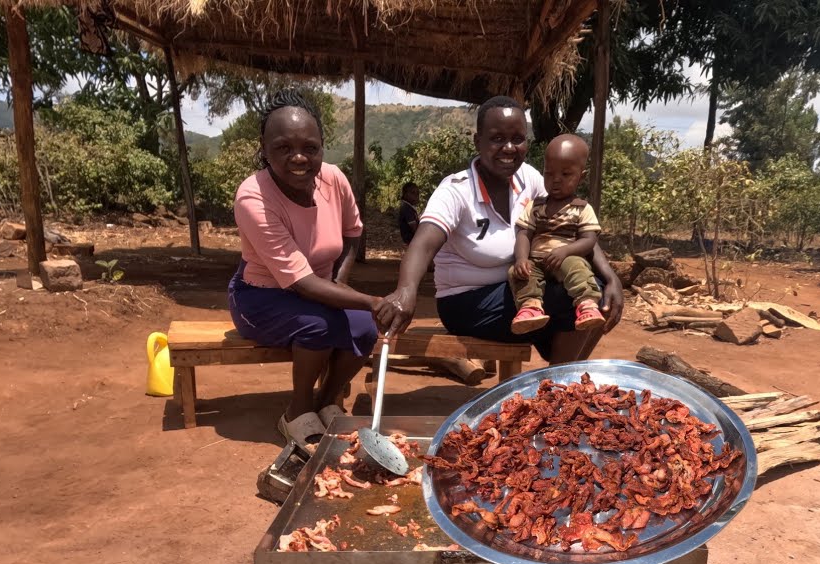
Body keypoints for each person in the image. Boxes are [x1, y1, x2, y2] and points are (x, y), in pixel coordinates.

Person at [374, 96, 623, 363]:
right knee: (582, 296)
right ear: (477, 141)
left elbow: (575, 225)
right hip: (468, 302)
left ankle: (559, 382)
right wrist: (406, 289)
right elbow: (423, 243)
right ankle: (558, 386)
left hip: (521, 287)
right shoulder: (456, 190)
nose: (508, 148)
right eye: (496, 138)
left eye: (517, 138)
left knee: (595, 292)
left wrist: (612, 278)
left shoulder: (529, 178)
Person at [228, 89, 383, 455]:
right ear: (264, 149)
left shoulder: (333, 179)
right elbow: (299, 282)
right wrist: (372, 299)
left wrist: (340, 286)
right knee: (319, 325)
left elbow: (352, 234)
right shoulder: (254, 198)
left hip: (319, 289)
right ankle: (297, 410)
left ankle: (327, 399)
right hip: (260, 297)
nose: (300, 157)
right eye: (284, 148)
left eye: (310, 148)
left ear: (322, 147)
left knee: (364, 327)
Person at [509, 133, 604, 334]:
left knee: (578, 267)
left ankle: (587, 304)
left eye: (566, 174)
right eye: (549, 174)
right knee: (518, 273)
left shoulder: (582, 209)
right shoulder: (536, 206)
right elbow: (524, 234)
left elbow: (589, 240)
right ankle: (530, 308)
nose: (556, 181)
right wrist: (521, 259)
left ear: (582, 176)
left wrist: (566, 252)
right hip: (537, 261)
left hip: (565, 260)